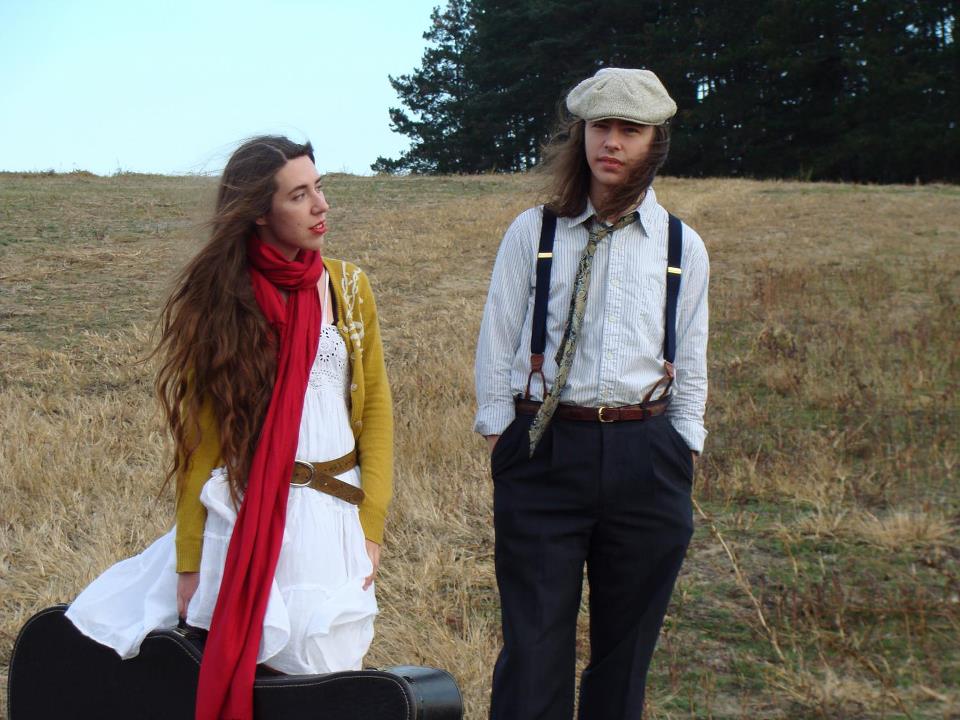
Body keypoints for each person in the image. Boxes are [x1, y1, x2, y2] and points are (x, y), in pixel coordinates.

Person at [65, 135, 394, 720]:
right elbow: (201, 446)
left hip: (332, 522)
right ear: (259, 212)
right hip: (248, 520)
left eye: (319, 188)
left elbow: (376, 416)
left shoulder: (347, 288)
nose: (321, 206)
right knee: (258, 684)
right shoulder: (224, 300)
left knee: (330, 686)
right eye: (300, 195)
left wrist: (371, 525)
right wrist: (190, 562)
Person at [475, 68, 709, 719]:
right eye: (600, 127)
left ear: (653, 141)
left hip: (647, 453)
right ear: (583, 133)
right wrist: (502, 434)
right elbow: (497, 338)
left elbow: (691, 358)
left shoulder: (680, 245)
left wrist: (682, 444)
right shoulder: (534, 232)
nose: (611, 142)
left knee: (623, 658)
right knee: (533, 651)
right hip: (545, 450)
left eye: (628, 130)